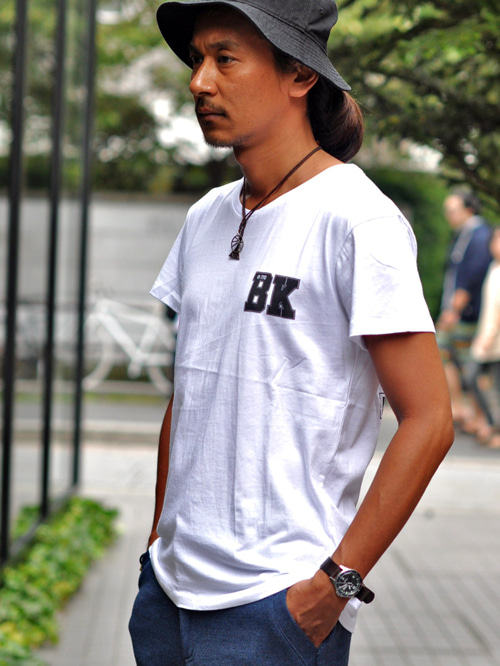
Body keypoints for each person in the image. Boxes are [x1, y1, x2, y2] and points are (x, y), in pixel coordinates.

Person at [129, 1, 454, 664]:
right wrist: (158, 544)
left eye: (225, 58)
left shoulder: (358, 220)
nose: (199, 81)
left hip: (275, 606)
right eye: (197, 59)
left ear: (300, 74)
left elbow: (430, 421)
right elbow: (190, 392)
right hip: (168, 595)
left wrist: (335, 586)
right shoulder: (206, 216)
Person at [437, 190, 492, 434]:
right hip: (462, 312)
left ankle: (478, 417)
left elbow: (472, 275)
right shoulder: (464, 234)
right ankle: (466, 412)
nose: (448, 215)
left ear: (468, 210)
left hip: (467, 314)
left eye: (452, 210)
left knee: (471, 366)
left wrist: (453, 310)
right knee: (460, 361)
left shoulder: (479, 235)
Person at [467, 227, 500, 448]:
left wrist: (489, 335)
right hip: (487, 339)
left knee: (494, 387)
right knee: (474, 378)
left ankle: (495, 429)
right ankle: (491, 425)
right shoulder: (493, 267)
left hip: (493, 341)